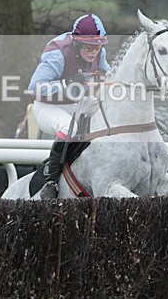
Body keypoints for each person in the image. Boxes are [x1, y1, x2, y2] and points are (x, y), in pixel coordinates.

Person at [27, 13, 111, 198]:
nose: (93, 51)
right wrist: (67, 83)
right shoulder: (57, 53)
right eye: (88, 47)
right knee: (70, 128)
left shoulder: (100, 53)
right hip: (48, 107)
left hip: (77, 104)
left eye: (97, 46)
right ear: (76, 43)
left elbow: (108, 77)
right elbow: (33, 88)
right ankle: (51, 182)